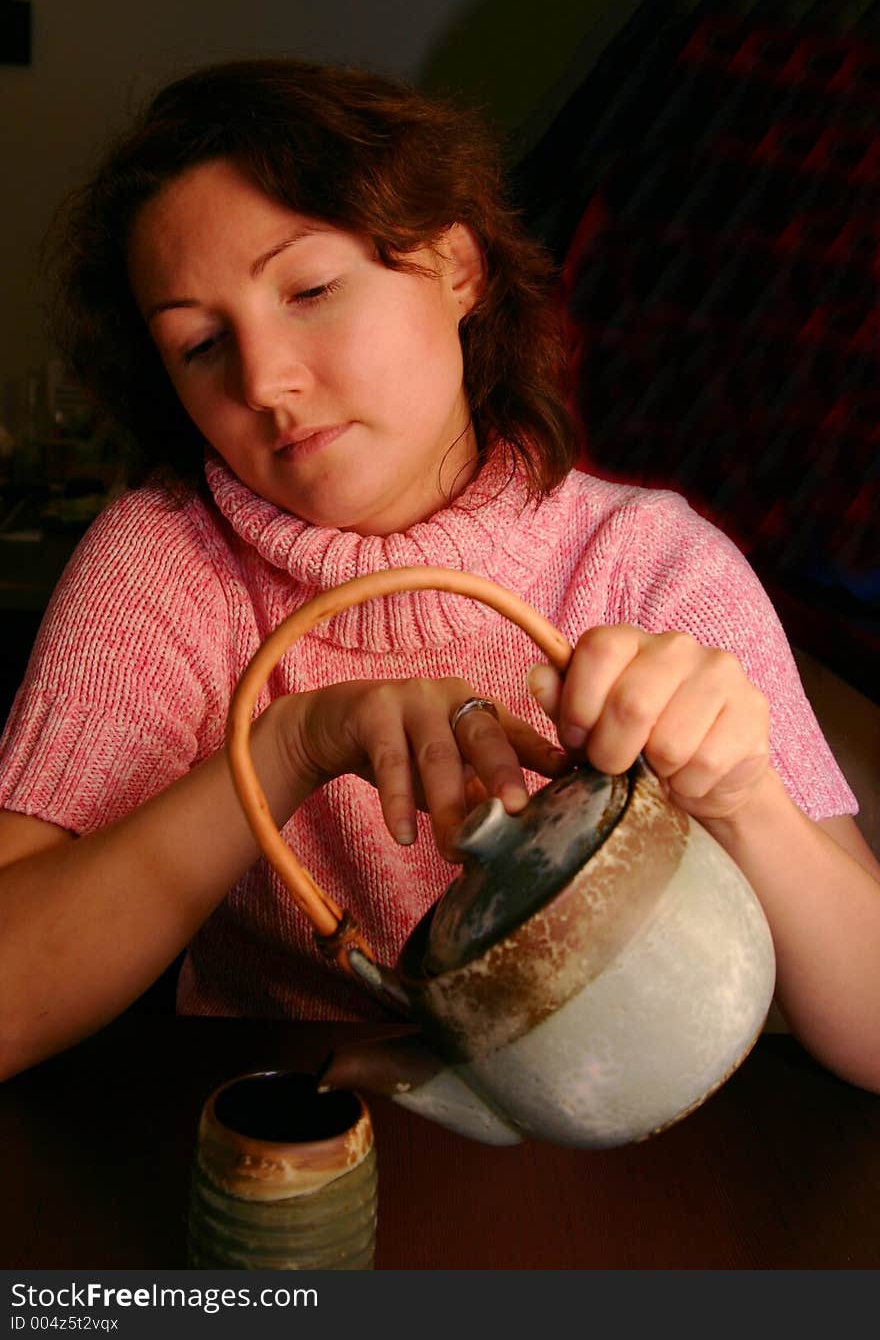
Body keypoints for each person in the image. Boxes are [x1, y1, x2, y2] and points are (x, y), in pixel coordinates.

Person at [0, 58, 878, 1092]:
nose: (266, 381)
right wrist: (286, 748)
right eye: (198, 345)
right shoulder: (164, 566)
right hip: (292, 1144)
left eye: (311, 289)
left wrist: (743, 799)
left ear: (456, 264)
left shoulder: (650, 566)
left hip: (627, 1164)